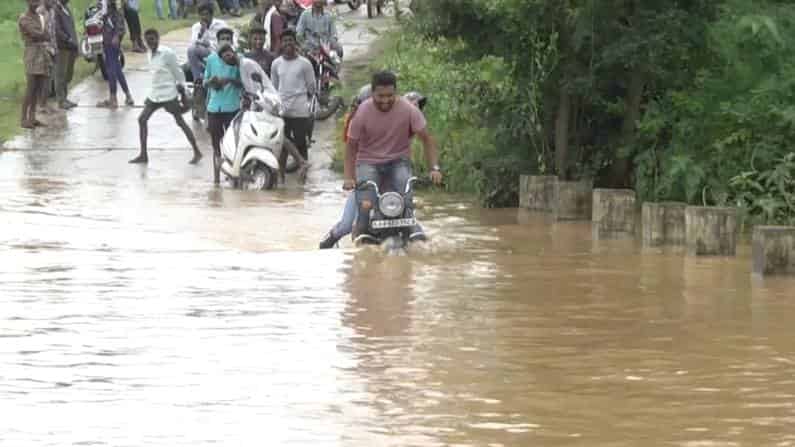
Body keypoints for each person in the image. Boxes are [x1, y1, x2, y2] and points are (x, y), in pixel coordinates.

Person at [319, 89, 428, 249]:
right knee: (346, 225)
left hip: (392, 185)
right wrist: (353, 178)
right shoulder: (358, 127)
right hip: (367, 183)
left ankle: (419, 245)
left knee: (409, 212)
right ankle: (325, 245)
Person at [344, 71, 443, 240]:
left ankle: (413, 233)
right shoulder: (362, 112)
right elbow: (351, 146)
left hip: (398, 161)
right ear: (372, 93)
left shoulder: (408, 109)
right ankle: (360, 237)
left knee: (407, 198)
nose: (385, 100)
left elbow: (427, 139)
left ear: (396, 92)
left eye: (390, 95)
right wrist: (349, 177)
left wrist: (434, 168)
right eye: (380, 96)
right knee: (365, 206)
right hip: (368, 161)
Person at [233, 52, 310, 182]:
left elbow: (257, 85)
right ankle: (281, 175)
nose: (227, 57)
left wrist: (254, 98)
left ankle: (300, 162)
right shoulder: (240, 65)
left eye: (228, 54)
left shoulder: (246, 64)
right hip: (262, 102)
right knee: (273, 135)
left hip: (267, 101)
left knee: (276, 135)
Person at [130, 29, 203, 165]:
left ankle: (197, 152)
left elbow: (178, 73)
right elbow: (155, 76)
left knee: (180, 122)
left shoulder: (167, 53)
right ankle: (143, 154)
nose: (150, 42)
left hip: (169, 94)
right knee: (142, 119)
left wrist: (185, 91)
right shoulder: (149, 53)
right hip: (155, 95)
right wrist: (149, 95)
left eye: (152, 39)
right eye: (147, 40)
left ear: (158, 38)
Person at [270, 29, 316, 162]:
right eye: (285, 41)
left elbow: (311, 87)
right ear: (281, 44)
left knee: (301, 143)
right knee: (282, 145)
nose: (288, 43)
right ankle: (282, 178)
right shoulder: (276, 64)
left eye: (290, 40)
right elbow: (274, 87)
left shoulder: (305, 63)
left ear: (295, 43)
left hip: (300, 111)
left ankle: (303, 175)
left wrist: (309, 108)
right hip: (282, 111)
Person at [204, 42, 243, 184]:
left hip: (232, 108)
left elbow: (244, 82)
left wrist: (229, 80)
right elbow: (205, 82)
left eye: (228, 39)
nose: (227, 54)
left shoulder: (239, 61)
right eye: (222, 39)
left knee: (233, 145)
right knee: (216, 146)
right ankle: (216, 180)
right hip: (214, 108)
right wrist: (212, 82)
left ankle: (234, 176)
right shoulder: (210, 60)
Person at [19, 0, 51, 129]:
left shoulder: (40, 17)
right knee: (30, 87)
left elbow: (46, 35)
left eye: (37, 1)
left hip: (41, 53)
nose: (35, 3)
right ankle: (23, 119)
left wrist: (43, 34)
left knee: (38, 87)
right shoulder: (24, 18)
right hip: (32, 54)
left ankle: (32, 117)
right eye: (32, 1)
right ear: (27, 2)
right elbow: (37, 34)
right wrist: (43, 34)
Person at [96, 0, 134, 109]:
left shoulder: (114, 4)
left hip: (111, 35)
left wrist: (116, 35)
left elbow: (117, 13)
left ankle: (113, 98)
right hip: (112, 33)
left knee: (111, 67)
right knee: (116, 67)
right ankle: (127, 95)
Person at [187, 3, 232, 83]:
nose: (204, 17)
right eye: (201, 15)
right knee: (191, 50)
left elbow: (230, 43)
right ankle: (198, 80)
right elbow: (193, 44)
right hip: (204, 54)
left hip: (219, 53)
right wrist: (201, 32)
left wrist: (209, 44)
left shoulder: (221, 25)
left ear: (211, 15)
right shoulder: (196, 27)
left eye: (206, 14)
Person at [54, 0, 79, 110]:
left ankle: (65, 97)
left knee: (68, 74)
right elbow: (57, 30)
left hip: (71, 46)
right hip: (62, 47)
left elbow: (71, 27)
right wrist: (68, 39)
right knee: (60, 74)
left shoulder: (66, 8)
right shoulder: (56, 10)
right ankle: (61, 100)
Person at [37, 0, 58, 115]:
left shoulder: (52, 10)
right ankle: (41, 105)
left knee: (49, 78)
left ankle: (45, 104)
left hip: (53, 49)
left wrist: (55, 49)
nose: (54, 1)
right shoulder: (40, 12)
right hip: (44, 50)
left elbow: (53, 32)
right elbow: (39, 34)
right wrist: (48, 49)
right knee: (44, 78)